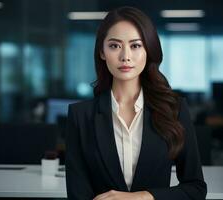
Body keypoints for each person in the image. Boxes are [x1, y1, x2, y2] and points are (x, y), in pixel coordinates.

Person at [65, 6, 207, 200]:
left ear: (148, 49)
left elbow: (195, 189)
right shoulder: (80, 116)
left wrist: (142, 197)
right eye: (115, 46)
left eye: (136, 45)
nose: (126, 56)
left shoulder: (174, 110)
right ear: (102, 52)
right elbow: (77, 194)